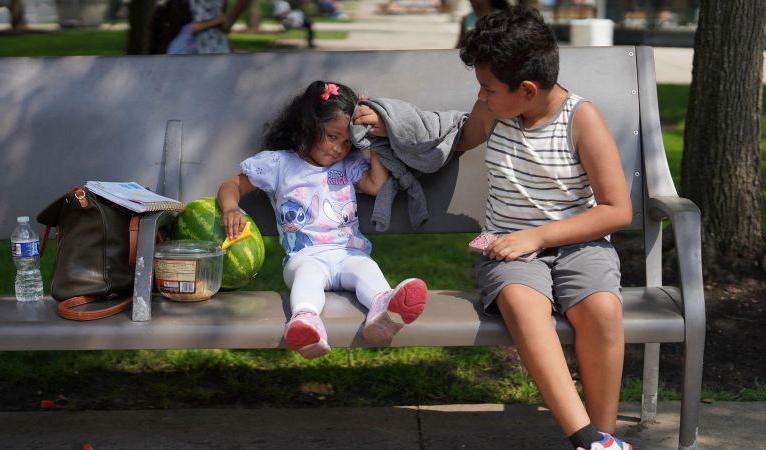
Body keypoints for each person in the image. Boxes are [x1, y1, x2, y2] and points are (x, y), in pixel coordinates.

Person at [353, 5, 634, 450]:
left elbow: (618, 210)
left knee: (602, 312)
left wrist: (538, 237)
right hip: (505, 248)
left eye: (487, 89)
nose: (480, 98)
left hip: (580, 245)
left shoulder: (582, 120)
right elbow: (452, 138)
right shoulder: (494, 111)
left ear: (526, 89)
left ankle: (605, 438)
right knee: (524, 308)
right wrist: (391, 125)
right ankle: (586, 440)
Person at [217, 81, 429, 359]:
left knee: (366, 270)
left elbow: (376, 185)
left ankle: (384, 310)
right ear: (308, 125)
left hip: (348, 252)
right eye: (331, 136)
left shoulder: (349, 164)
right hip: (305, 256)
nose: (339, 149)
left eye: (347, 142)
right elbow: (231, 185)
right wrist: (231, 209)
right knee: (308, 279)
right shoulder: (279, 165)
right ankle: (306, 322)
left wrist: (375, 141)